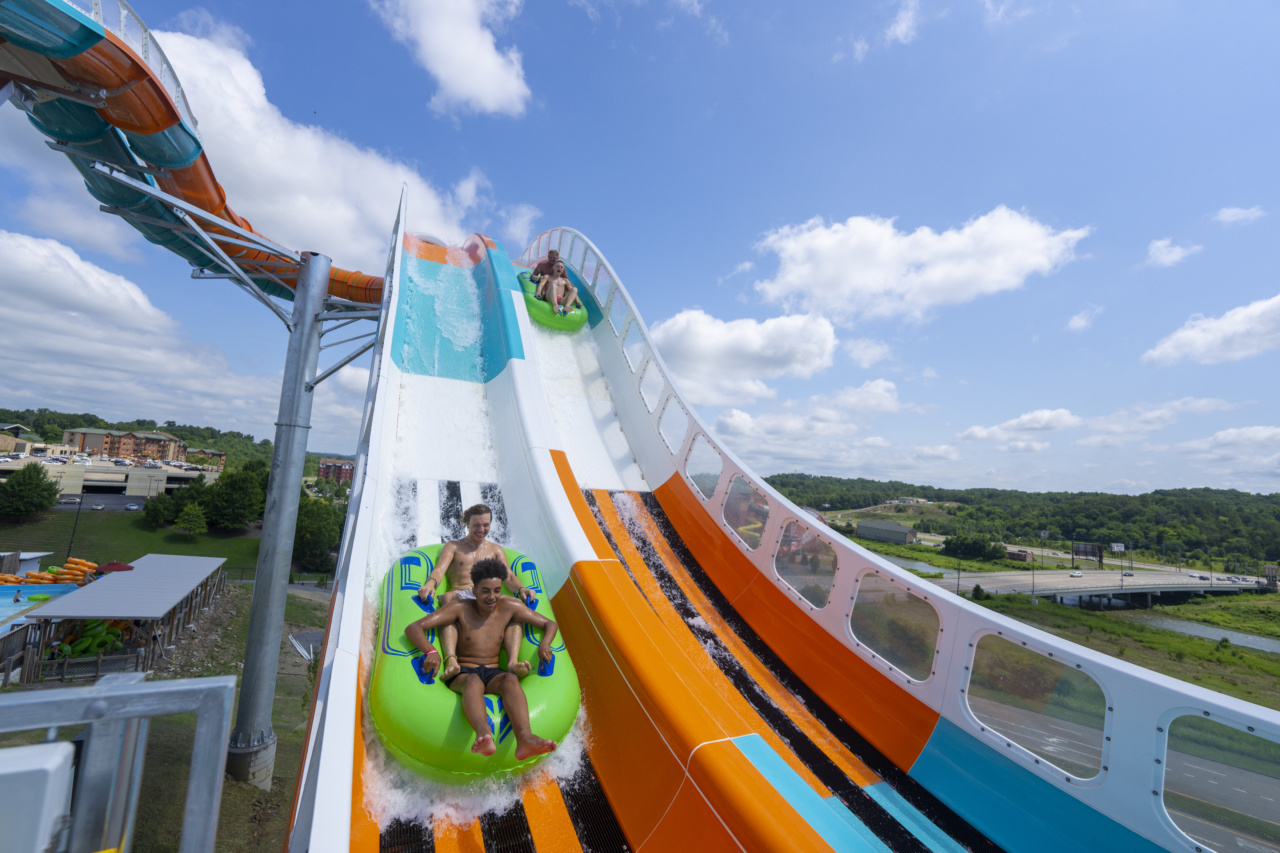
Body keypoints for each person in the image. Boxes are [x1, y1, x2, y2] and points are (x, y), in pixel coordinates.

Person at [405, 558, 559, 760]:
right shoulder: (460, 608)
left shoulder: (510, 606)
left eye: (496, 590)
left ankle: (525, 738)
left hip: (493, 672)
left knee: (510, 679)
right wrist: (431, 652)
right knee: (473, 680)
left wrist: (544, 644)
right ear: (474, 590)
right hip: (464, 673)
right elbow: (413, 628)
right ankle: (483, 733)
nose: (492, 597)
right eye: (485, 591)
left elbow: (550, 624)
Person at [418, 504, 535, 681]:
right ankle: (452, 659)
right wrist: (430, 584)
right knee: (449, 597)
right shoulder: (454, 546)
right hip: (461, 595)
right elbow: (439, 570)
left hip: (487, 596)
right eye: (477, 525)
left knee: (513, 609)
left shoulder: (496, 550)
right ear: (467, 523)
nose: (481, 529)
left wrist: (521, 589)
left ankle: (512, 662)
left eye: (486, 525)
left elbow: (508, 575)